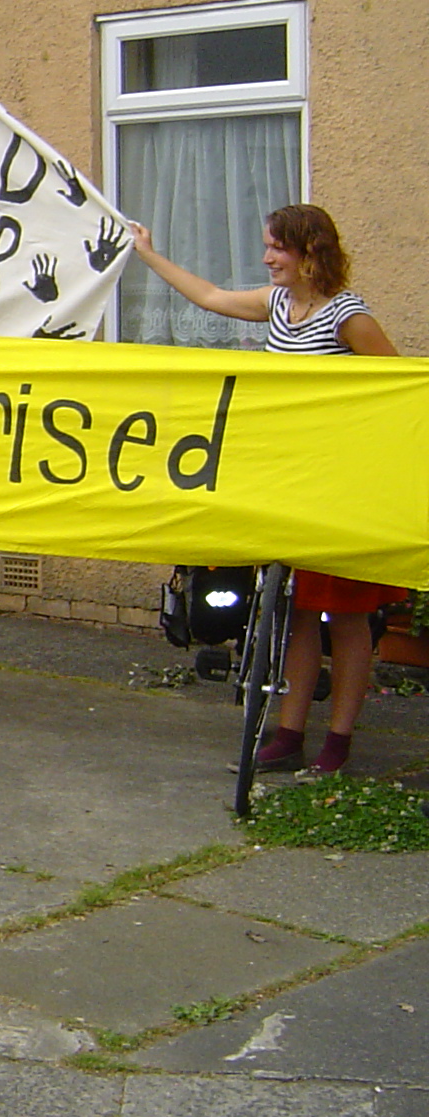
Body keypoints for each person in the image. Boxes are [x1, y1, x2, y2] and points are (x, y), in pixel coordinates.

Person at [128, 204, 400, 777]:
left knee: (346, 618)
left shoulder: (347, 316)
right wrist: (147, 254)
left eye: (277, 248)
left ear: (310, 254)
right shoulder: (278, 305)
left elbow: (398, 390)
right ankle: (291, 731)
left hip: (341, 489)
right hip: (293, 482)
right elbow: (209, 298)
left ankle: (340, 741)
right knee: (297, 612)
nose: (267, 258)